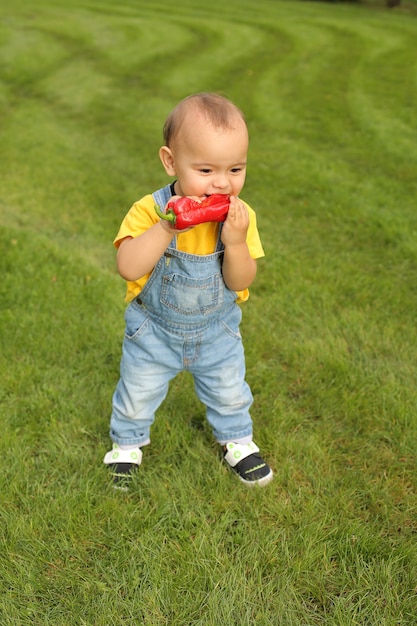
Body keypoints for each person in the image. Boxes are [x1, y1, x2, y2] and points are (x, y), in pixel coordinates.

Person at [104, 92, 273, 488]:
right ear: (170, 161)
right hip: (155, 332)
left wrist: (234, 242)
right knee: (137, 391)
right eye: (206, 169)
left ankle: (237, 440)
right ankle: (127, 444)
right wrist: (166, 227)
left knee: (230, 391)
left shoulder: (240, 218)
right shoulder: (150, 210)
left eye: (235, 169)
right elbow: (127, 266)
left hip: (216, 332)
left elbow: (240, 281)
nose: (222, 183)